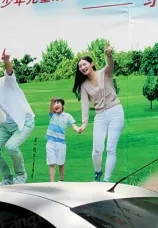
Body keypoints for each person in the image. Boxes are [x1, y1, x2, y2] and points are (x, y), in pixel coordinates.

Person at [0, 49, 35, 186]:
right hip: (6, 125)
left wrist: (7, 61)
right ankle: (7, 179)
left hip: (24, 121)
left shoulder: (7, 82)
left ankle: (21, 176)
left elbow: (9, 72)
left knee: (11, 147)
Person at [74, 43, 124, 182]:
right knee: (97, 150)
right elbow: (84, 105)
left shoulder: (104, 73)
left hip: (116, 112)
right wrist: (84, 124)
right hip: (100, 116)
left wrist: (108, 54)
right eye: (80, 66)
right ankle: (98, 172)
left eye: (84, 64)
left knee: (110, 148)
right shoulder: (84, 86)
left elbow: (110, 64)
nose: (82, 67)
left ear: (92, 64)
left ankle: (106, 180)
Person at [45, 96, 81, 183]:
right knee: (52, 163)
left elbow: (73, 125)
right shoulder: (52, 115)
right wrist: (52, 101)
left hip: (61, 143)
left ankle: (61, 180)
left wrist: (78, 129)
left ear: (63, 105)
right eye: (54, 104)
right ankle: (52, 182)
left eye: (58, 103)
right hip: (50, 142)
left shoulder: (67, 116)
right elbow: (50, 108)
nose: (55, 105)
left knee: (61, 163)